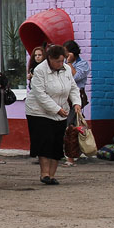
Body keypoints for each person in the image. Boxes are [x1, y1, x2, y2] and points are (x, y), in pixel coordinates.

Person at [25, 44, 80, 185]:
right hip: (39, 112)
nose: (61, 64)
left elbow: (73, 88)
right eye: (58, 61)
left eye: (62, 61)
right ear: (50, 59)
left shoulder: (66, 69)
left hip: (61, 110)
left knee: (57, 141)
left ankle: (52, 175)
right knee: (45, 141)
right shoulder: (40, 70)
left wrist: (76, 103)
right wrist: (56, 109)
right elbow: (40, 95)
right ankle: (45, 174)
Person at [62, 40, 90, 166]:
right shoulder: (61, 63)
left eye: (66, 53)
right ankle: (68, 154)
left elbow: (75, 77)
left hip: (77, 96)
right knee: (65, 124)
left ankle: (71, 156)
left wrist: (69, 63)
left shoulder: (82, 64)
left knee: (71, 125)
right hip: (63, 96)